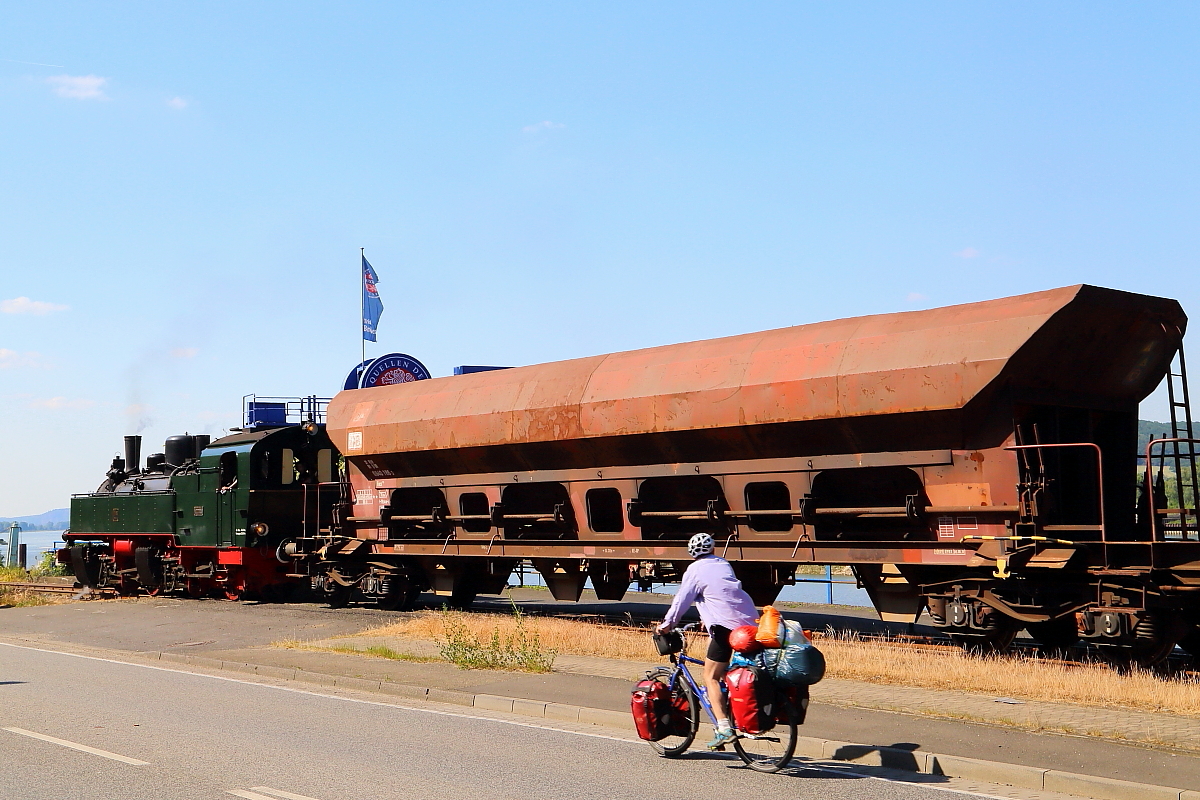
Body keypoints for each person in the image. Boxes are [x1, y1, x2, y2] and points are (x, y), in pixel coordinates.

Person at [655, 532, 758, 750]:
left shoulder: (695, 570)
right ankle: (731, 711)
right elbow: (722, 595)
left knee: (710, 677)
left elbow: (681, 601)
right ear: (713, 549)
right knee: (730, 673)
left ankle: (724, 728)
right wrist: (706, 617)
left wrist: (667, 624)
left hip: (725, 630)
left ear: (692, 553)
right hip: (751, 626)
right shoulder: (723, 564)